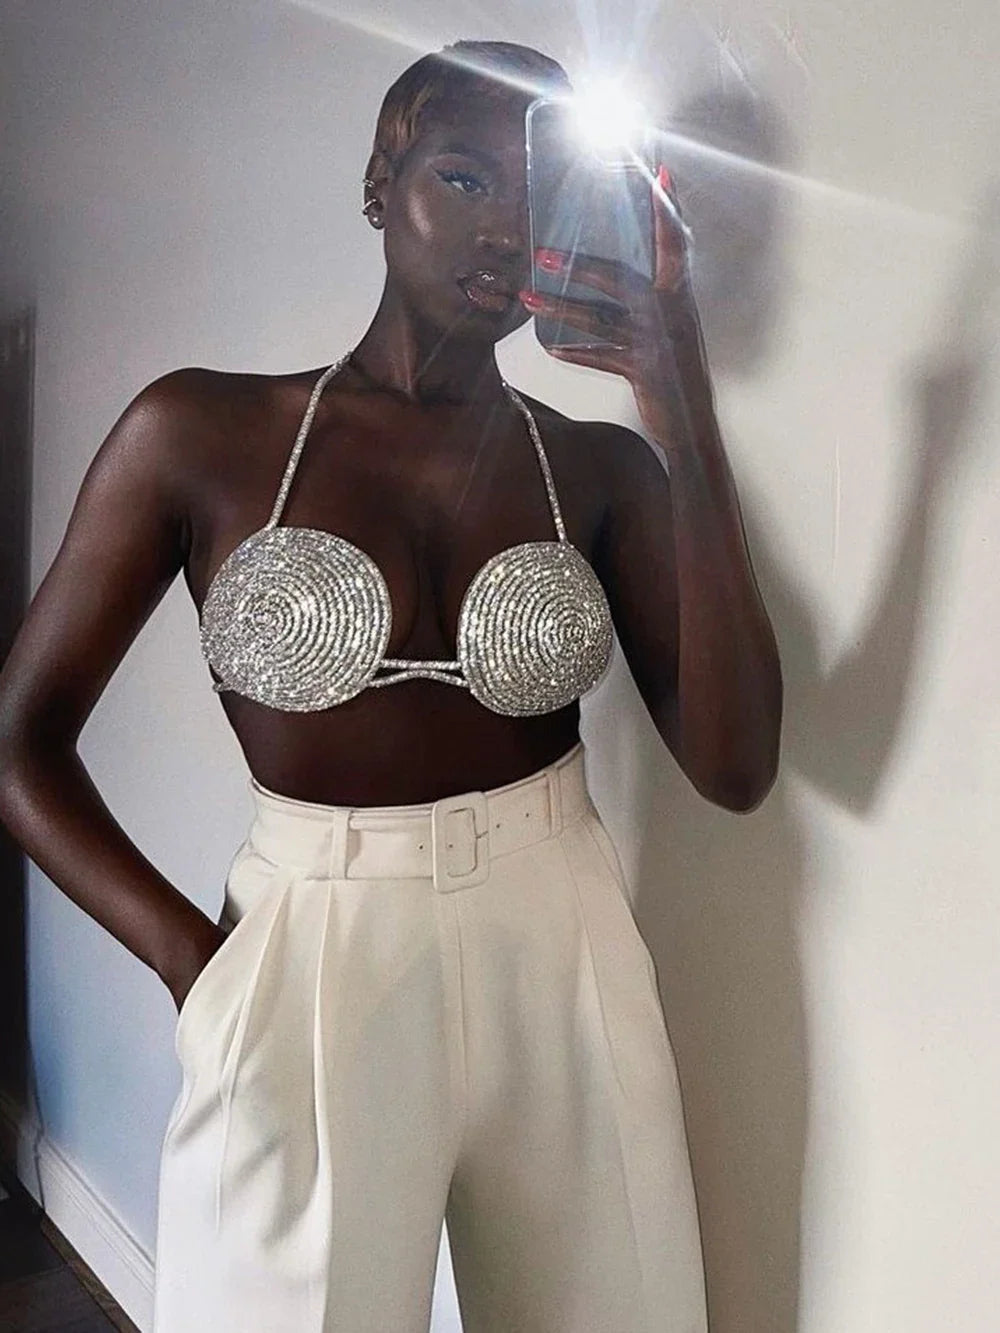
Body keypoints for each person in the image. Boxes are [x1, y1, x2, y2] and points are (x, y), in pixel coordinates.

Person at [0, 38, 781, 1333]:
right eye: (465, 179)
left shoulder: (598, 471)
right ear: (381, 180)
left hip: (560, 931)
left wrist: (678, 391)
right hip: (312, 944)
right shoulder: (199, 433)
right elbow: (21, 741)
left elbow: (738, 767)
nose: (502, 230)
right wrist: (195, 963)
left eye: (535, 196)